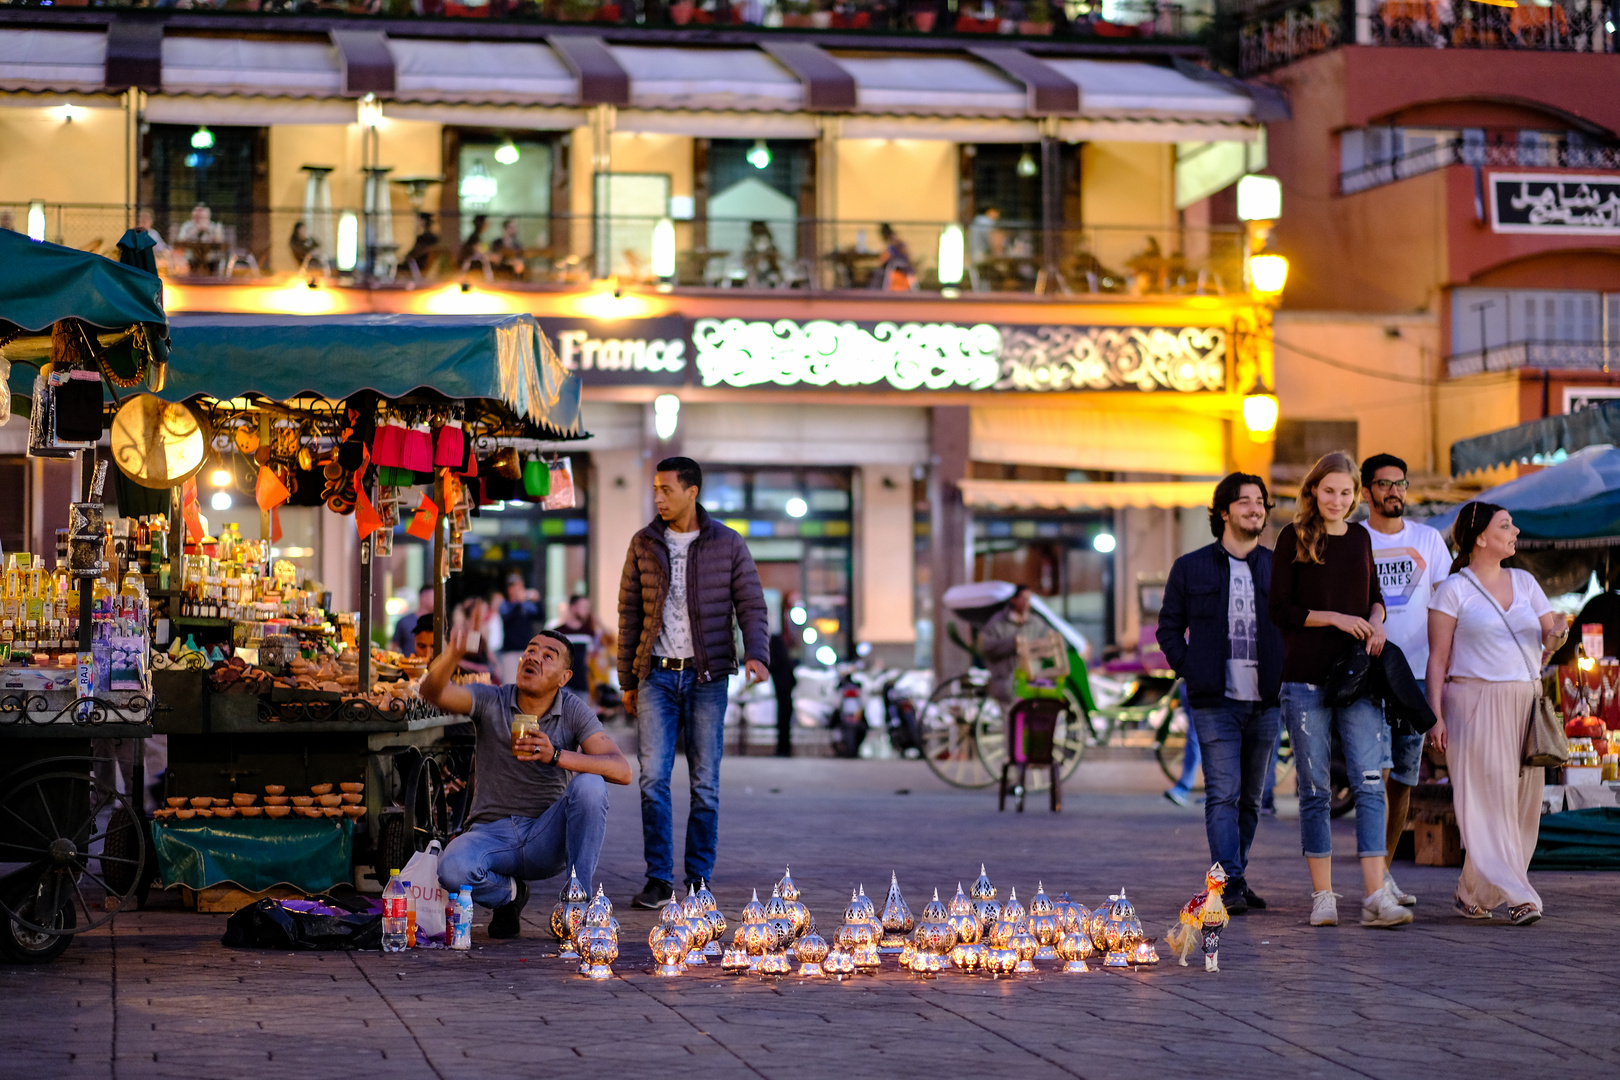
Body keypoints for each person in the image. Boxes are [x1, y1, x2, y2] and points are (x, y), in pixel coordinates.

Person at [618, 456, 770, 909]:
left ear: (692, 491)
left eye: (667, 489)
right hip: (656, 677)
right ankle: (659, 880)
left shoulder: (727, 543)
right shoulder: (644, 543)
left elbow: (752, 604)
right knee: (653, 781)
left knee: (705, 783)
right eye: (655, 489)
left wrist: (757, 654)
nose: (658, 497)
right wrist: (628, 678)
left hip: (708, 677)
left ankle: (699, 878)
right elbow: (629, 615)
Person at [1268, 451, 1410, 929]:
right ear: (1313, 491)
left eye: (1346, 492)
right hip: (1304, 679)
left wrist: (1375, 621)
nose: (1337, 499)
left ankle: (1375, 896)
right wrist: (1334, 618)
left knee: (1371, 782)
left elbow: (1376, 595)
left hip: (1359, 679)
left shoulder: (1361, 538)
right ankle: (1323, 895)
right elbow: (1281, 610)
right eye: (1328, 490)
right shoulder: (1294, 537)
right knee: (1314, 789)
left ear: (1357, 495)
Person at [428, 626, 631, 938]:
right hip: (490, 834)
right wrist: (453, 654)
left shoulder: (572, 709)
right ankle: (509, 895)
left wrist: (555, 755)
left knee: (591, 785)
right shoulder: (492, 699)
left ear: (564, 677)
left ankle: (579, 904)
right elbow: (432, 693)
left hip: (544, 836)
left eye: (548, 656)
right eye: (531, 651)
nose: (534, 658)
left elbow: (622, 771)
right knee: (452, 868)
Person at [1427, 502, 1567, 925]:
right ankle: (1521, 896)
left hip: (1525, 702)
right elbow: (1437, 660)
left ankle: (1472, 892)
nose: (1515, 530)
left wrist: (1558, 630)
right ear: (1480, 538)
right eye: (1505, 525)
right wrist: (1434, 716)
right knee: (1487, 803)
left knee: (1521, 805)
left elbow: (1550, 638)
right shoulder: (1452, 590)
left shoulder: (1525, 581)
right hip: (1472, 702)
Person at [1157, 472, 1284, 916]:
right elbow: (1168, 628)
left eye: (1261, 502)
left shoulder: (1277, 565)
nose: (1256, 508)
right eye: (1245, 501)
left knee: (1252, 798)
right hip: (1214, 700)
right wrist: (1191, 668)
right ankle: (1228, 881)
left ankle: (1235, 877)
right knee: (1223, 794)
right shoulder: (1191, 567)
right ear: (1225, 511)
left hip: (1266, 700)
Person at [1358, 452, 1451, 908]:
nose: (1394, 491)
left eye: (1400, 483)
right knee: (1374, 776)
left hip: (1415, 673)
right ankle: (1374, 880)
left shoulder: (1429, 540)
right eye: (1383, 484)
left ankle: (1386, 875)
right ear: (1366, 491)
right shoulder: (1355, 540)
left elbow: (1451, 604)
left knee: (1404, 781)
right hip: (1367, 675)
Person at [980, 585, 1032, 712]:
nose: (1026, 603)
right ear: (1014, 600)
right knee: (1011, 722)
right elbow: (986, 646)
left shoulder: (1034, 622)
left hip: (1029, 684)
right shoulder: (998, 622)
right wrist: (1011, 643)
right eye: (1023, 599)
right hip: (1005, 682)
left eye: (1029, 599)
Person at [769, 591, 802, 757]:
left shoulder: (789, 622)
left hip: (784, 676)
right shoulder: (779, 628)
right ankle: (783, 747)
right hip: (782, 676)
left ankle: (784, 747)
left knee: (785, 712)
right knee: (783, 712)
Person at [550, 594, 601, 696]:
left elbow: (590, 658)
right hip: (563, 685)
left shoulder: (589, 632)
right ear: (573, 608)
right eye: (583, 607)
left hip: (582, 685)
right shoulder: (558, 632)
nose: (586, 611)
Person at [499, 574, 543, 685]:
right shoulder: (505, 605)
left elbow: (540, 616)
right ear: (510, 589)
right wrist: (518, 602)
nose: (521, 590)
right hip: (510, 652)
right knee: (510, 684)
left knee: (527, 682)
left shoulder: (526, 605)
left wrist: (537, 601)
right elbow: (508, 616)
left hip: (526, 650)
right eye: (518, 587)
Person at [392, 585, 435, 654]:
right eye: (433, 597)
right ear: (423, 597)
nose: (437, 601)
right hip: (407, 663)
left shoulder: (439, 623)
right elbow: (394, 647)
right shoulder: (404, 622)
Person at [872, 223, 914, 290]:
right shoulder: (892, 241)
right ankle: (876, 289)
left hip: (899, 263)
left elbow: (889, 255)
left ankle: (879, 289)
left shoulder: (894, 241)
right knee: (878, 271)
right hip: (896, 262)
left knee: (879, 271)